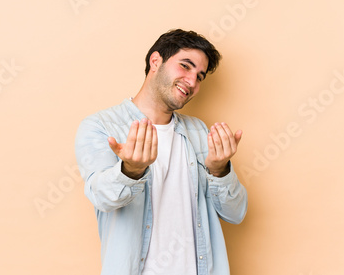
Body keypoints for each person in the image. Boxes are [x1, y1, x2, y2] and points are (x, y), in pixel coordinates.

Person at [74, 29, 248, 275]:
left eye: (200, 76)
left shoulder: (200, 131)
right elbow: (102, 197)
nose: (192, 82)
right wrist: (130, 171)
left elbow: (236, 213)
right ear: (155, 61)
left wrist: (220, 170)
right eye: (185, 66)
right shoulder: (101, 126)